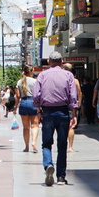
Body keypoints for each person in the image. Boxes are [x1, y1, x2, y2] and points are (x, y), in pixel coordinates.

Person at [33, 53, 77, 185]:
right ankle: (61, 177)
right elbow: (73, 96)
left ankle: (48, 165)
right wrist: (73, 114)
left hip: (47, 112)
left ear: (48, 61)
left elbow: (36, 94)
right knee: (62, 145)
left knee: (46, 143)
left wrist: (38, 110)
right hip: (63, 111)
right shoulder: (68, 75)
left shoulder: (42, 75)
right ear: (62, 61)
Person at [17, 65, 39, 153]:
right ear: (31, 71)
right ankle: (33, 142)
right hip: (33, 102)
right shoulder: (35, 81)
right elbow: (38, 94)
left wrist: (15, 107)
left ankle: (26, 147)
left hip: (23, 102)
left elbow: (18, 96)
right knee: (35, 125)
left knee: (26, 127)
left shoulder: (19, 82)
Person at [63, 63, 81, 152]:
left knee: (62, 126)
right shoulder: (75, 80)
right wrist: (79, 104)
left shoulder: (60, 79)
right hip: (72, 105)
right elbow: (79, 93)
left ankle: (63, 145)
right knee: (71, 127)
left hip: (62, 103)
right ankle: (70, 147)